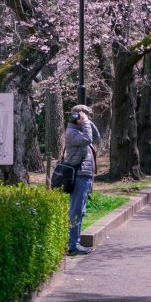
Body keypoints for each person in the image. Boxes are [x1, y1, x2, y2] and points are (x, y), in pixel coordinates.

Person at [65, 104, 101, 256]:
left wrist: (87, 122)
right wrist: (84, 123)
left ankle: (76, 242)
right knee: (76, 210)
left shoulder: (82, 129)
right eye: (82, 115)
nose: (85, 117)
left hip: (85, 175)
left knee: (81, 211)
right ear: (75, 116)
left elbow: (96, 137)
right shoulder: (72, 132)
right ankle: (73, 245)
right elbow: (87, 139)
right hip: (79, 175)